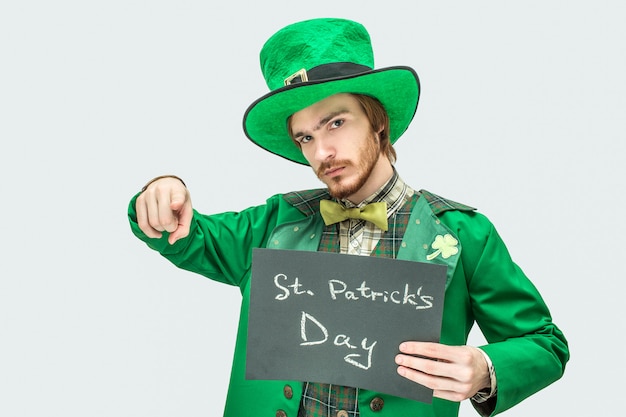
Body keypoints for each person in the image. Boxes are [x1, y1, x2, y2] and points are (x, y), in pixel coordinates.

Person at [128, 17, 569, 417]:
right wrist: (163, 191)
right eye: (305, 137)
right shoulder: (272, 224)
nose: (321, 153)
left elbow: (544, 344)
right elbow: (188, 233)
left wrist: (485, 368)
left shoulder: (463, 234)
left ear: (378, 121)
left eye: (335, 123)